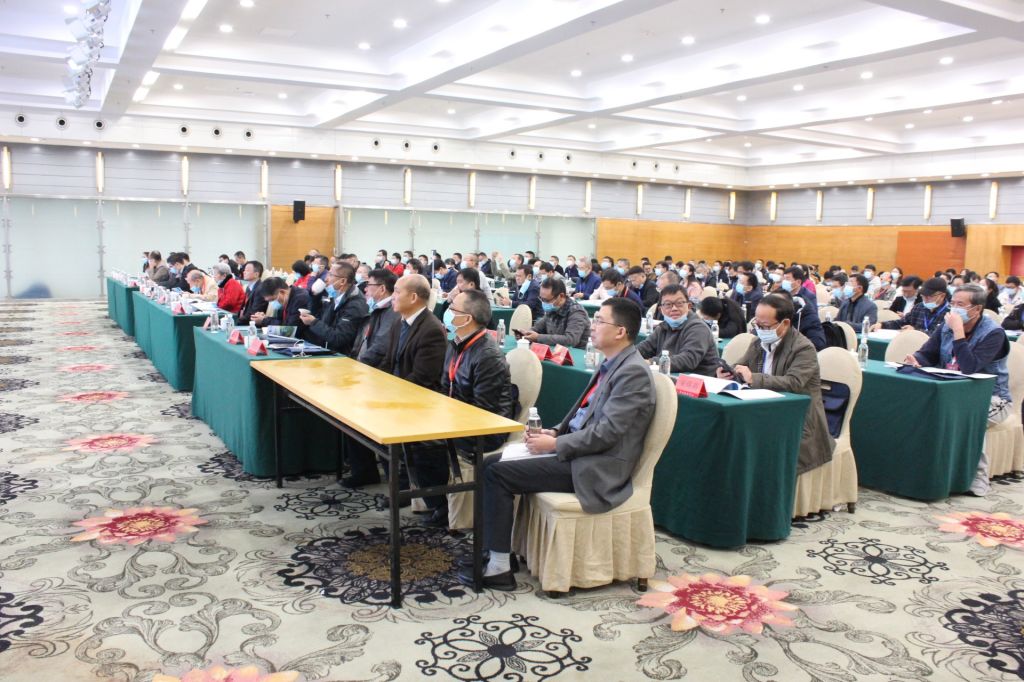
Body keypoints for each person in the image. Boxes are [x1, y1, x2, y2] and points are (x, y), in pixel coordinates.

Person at [461, 298, 656, 590]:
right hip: (579, 453)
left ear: (620, 332)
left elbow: (608, 433)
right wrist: (554, 433)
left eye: (600, 321)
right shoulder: (614, 363)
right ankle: (497, 551)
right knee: (490, 463)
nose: (592, 326)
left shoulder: (633, 372)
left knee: (496, 473)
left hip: (597, 466)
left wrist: (555, 445)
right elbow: (584, 415)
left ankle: (499, 569)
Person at [905, 284, 1011, 496]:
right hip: (951, 394)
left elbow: (969, 367)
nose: (953, 309)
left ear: (976, 309)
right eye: (952, 303)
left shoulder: (994, 334)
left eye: (960, 305)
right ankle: (928, 471)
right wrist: (917, 359)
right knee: (919, 407)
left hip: (991, 399)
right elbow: (928, 353)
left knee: (967, 416)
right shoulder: (946, 327)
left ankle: (977, 478)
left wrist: (958, 332)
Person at [718, 294, 834, 476]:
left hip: (797, 421)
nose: (759, 330)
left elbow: (793, 383)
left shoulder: (804, 348)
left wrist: (753, 378)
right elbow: (741, 366)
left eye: (765, 326)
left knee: (758, 448)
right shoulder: (758, 342)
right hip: (764, 412)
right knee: (729, 437)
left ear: (785, 323)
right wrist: (730, 373)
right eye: (756, 325)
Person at [437, 288, 518, 528]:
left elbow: (482, 411)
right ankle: (437, 502)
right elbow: (445, 387)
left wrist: (444, 421)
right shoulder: (456, 344)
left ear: (467, 318)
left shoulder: (488, 355)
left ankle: (441, 506)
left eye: (452, 309)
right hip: (458, 418)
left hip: (485, 429)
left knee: (426, 445)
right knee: (414, 440)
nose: (447, 312)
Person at [380, 274, 449, 517]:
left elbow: (422, 378)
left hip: (420, 401)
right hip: (398, 394)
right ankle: (399, 484)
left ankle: (436, 502)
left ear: (413, 297)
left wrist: (389, 397)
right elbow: (389, 362)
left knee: (419, 447)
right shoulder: (399, 323)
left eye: (397, 292)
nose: (392, 297)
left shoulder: (431, 329)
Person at [636, 285, 718, 375]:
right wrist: (629, 355)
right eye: (668, 304)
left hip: (697, 380)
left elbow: (688, 360)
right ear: (661, 310)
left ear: (689, 306)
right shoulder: (662, 327)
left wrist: (651, 362)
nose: (674, 308)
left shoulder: (699, 328)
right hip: (669, 377)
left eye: (679, 303)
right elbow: (644, 348)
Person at [299, 263, 368, 355]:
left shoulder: (355, 305)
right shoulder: (335, 295)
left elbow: (338, 338)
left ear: (342, 281)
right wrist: (315, 296)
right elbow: (319, 317)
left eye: (331, 275)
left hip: (339, 356)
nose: (326, 279)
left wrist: (313, 322)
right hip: (323, 348)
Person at [521, 278, 591, 349]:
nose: (544, 302)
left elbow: (571, 340)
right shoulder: (553, 309)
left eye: (547, 300)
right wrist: (527, 334)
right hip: (556, 352)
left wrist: (538, 337)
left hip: (575, 353)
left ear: (561, 296)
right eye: (541, 299)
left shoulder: (577, 312)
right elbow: (538, 327)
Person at [352, 268, 400, 369]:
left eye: (369, 285)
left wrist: (358, 365)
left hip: (372, 369)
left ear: (382, 289)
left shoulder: (392, 311)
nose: (365, 289)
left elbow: (380, 346)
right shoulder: (376, 308)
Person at [873, 276, 948, 333]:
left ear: (942, 296)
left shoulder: (949, 313)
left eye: (929, 297)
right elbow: (902, 322)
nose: (925, 299)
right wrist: (882, 324)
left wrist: (915, 331)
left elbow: (939, 336)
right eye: (923, 296)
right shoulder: (919, 307)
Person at [781, 266, 826, 351]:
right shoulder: (782, 294)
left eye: (787, 279)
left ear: (798, 282)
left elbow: (812, 317)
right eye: (784, 279)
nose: (784, 282)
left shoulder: (808, 297)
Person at [237, 260, 267, 326]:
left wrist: (236, 322)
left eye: (247, 270)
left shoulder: (260, 289)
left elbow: (253, 314)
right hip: (244, 321)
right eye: (244, 270)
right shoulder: (249, 287)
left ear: (256, 274)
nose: (244, 272)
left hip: (252, 325)